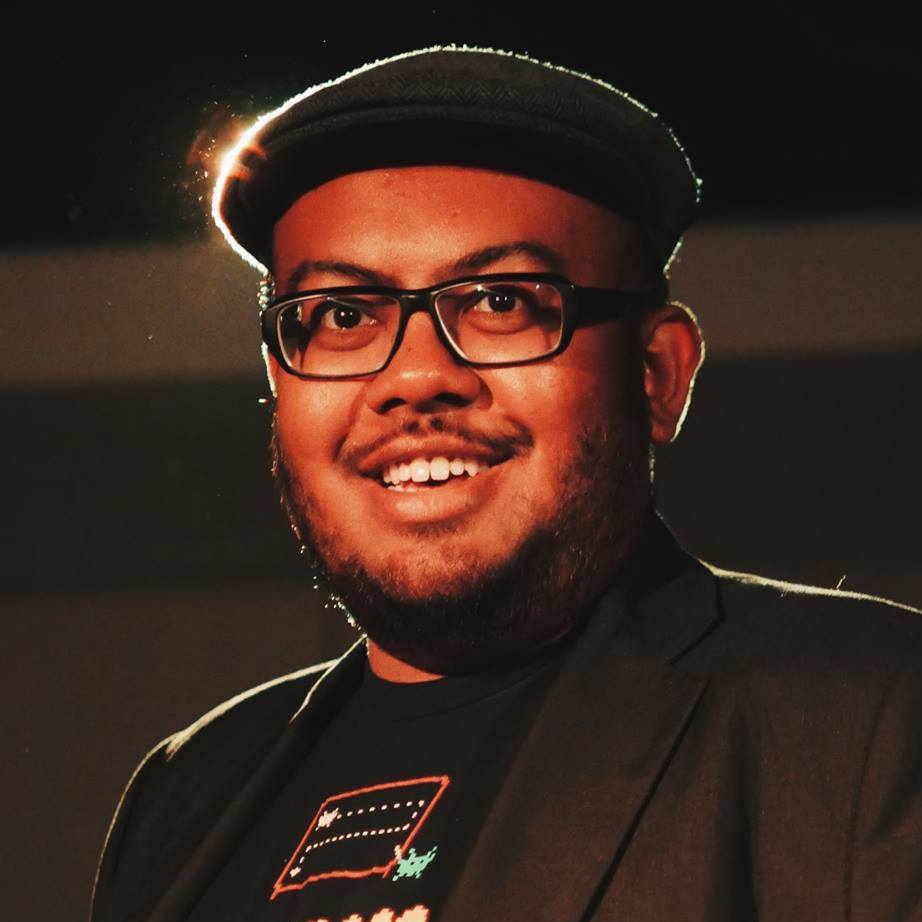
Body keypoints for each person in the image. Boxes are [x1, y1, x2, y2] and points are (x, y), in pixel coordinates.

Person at [90, 47, 922, 922]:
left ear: (655, 373)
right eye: (340, 315)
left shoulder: (868, 718)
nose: (413, 377)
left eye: (499, 302)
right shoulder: (183, 794)